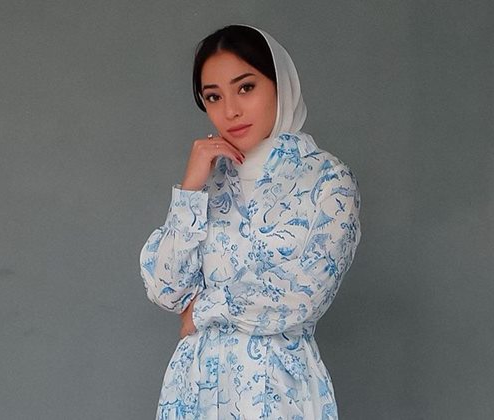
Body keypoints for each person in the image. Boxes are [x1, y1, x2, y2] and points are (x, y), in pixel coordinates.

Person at [139, 24, 361, 419]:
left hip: (279, 391)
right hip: (194, 391)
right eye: (213, 96)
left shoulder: (327, 180)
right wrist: (190, 190)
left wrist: (204, 309)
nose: (230, 111)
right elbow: (166, 289)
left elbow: (304, 296)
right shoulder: (209, 183)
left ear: (280, 85)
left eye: (245, 88)